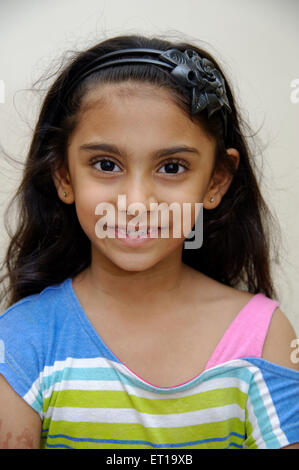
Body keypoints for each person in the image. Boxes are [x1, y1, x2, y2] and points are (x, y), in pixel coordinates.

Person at [0, 34, 298, 450]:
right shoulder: (19, 342)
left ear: (216, 181)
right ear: (64, 176)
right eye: (106, 165)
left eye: (172, 167)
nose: (136, 203)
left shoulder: (266, 338)